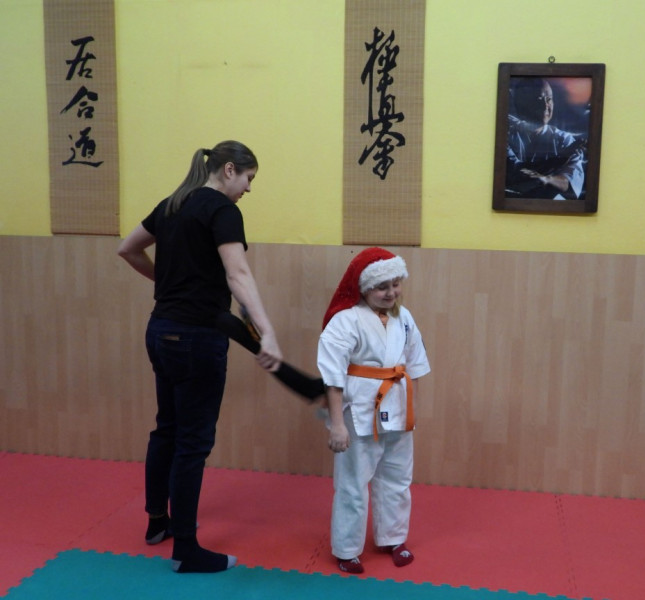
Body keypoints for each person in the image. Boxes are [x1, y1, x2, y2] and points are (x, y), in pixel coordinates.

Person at [117, 140, 283, 574]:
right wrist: (266, 331)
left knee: (168, 428)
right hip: (196, 338)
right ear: (229, 170)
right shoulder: (222, 210)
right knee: (193, 442)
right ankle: (187, 550)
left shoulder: (173, 204)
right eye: (248, 178)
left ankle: (158, 522)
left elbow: (128, 248)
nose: (249, 189)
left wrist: (168, 283)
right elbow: (237, 273)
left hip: (160, 331)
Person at [317, 248, 431, 574]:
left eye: (395, 284)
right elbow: (332, 376)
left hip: (398, 407)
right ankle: (347, 549)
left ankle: (393, 538)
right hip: (358, 411)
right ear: (364, 288)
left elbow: (415, 364)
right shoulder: (345, 320)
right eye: (382, 287)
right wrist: (336, 425)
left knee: (397, 477)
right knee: (353, 483)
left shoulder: (404, 318)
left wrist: (413, 408)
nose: (391, 292)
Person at [505, 78, 585, 200]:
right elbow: (516, 171)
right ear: (520, 105)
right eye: (538, 99)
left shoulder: (565, 140)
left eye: (549, 99)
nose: (545, 106)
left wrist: (547, 179)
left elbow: (568, 183)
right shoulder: (506, 133)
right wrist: (561, 159)